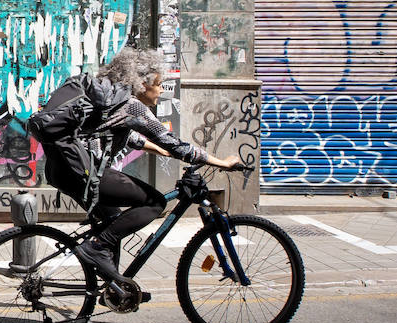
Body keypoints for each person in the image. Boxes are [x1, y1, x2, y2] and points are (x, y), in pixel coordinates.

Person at [29, 47, 240, 284]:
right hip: (84, 174)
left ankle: (110, 286)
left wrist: (156, 149)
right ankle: (96, 248)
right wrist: (222, 162)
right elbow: (174, 144)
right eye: (158, 84)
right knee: (155, 202)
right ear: (142, 83)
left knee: (114, 223)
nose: (161, 91)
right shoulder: (132, 105)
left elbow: (124, 134)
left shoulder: (112, 100)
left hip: (64, 171)